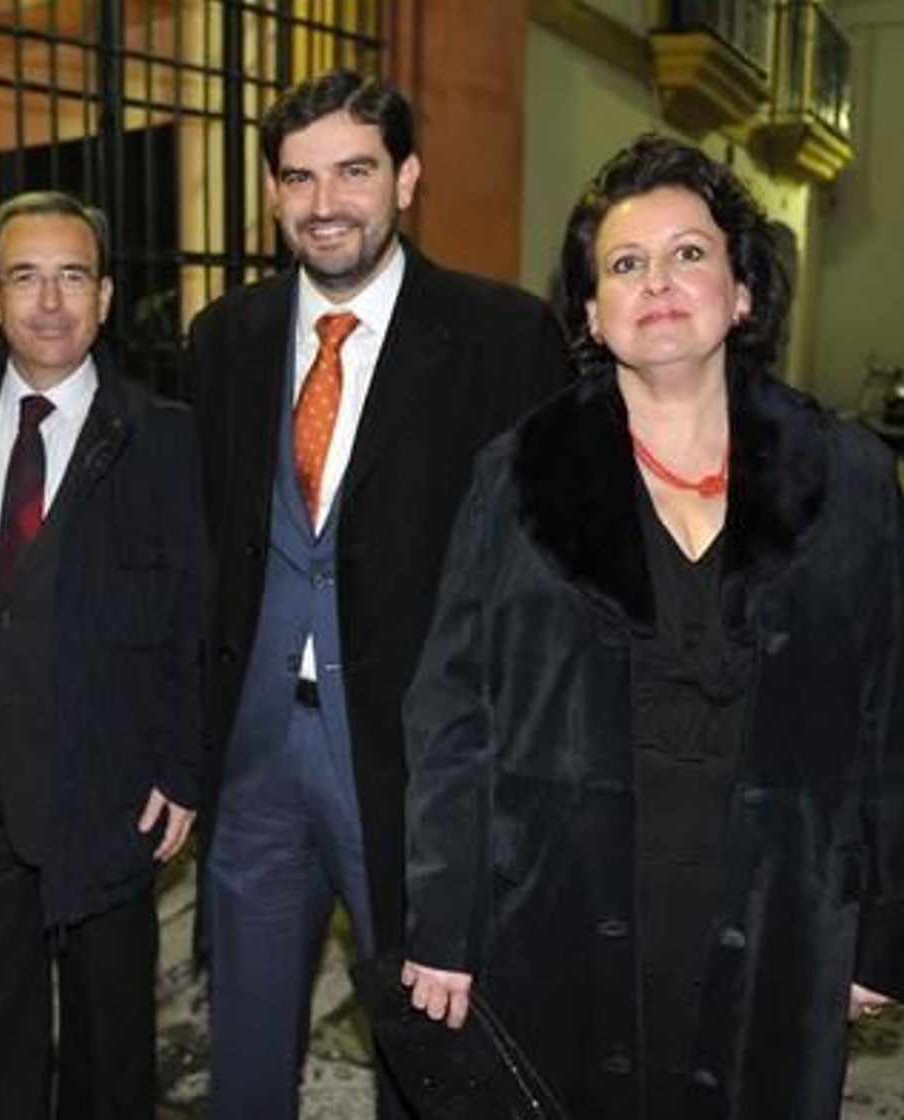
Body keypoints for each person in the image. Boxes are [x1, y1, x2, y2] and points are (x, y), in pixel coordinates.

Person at [402, 134, 904, 1117]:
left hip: (778, 914)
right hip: (559, 908)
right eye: (624, 263)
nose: (656, 280)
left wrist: (889, 925)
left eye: (688, 253)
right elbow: (451, 712)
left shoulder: (850, 477)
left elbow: (893, 718)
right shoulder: (516, 475)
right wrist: (444, 918)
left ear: (741, 292)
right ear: (591, 313)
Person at [187, 69, 569, 1118]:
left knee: (427, 1046)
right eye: (298, 178)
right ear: (272, 192)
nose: (325, 204)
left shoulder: (503, 338)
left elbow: (548, 581)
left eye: (353, 171)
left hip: (417, 761)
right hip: (255, 753)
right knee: (244, 1047)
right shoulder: (223, 338)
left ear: (406, 178)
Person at [0, 190, 206, 1118]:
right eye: (25, 277)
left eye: (72, 277)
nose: (49, 302)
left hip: (109, 792)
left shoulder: (166, 439)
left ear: (105, 296)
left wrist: (182, 764)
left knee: (112, 1042)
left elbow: (195, 616)